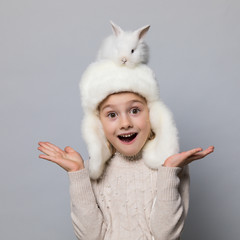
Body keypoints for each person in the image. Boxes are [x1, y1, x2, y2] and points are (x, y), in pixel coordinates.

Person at [38, 60, 214, 240]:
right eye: (112, 114)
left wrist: (169, 171)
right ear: (99, 124)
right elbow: (90, 237)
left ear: (152, 114)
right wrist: (77, 174)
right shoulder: (93, 169)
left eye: (135, 110)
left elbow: (165, 236)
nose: (125, 123)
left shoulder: (170, 167)